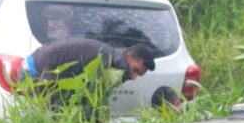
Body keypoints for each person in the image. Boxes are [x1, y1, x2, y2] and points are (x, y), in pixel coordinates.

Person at [20, 37, 155, 84]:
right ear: (129, 56)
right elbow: (89, 99)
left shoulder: (107, 55)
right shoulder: (104, 59)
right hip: (32, 75)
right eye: (135, 70)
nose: (133, 77)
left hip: (40, 69)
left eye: (139, 74)